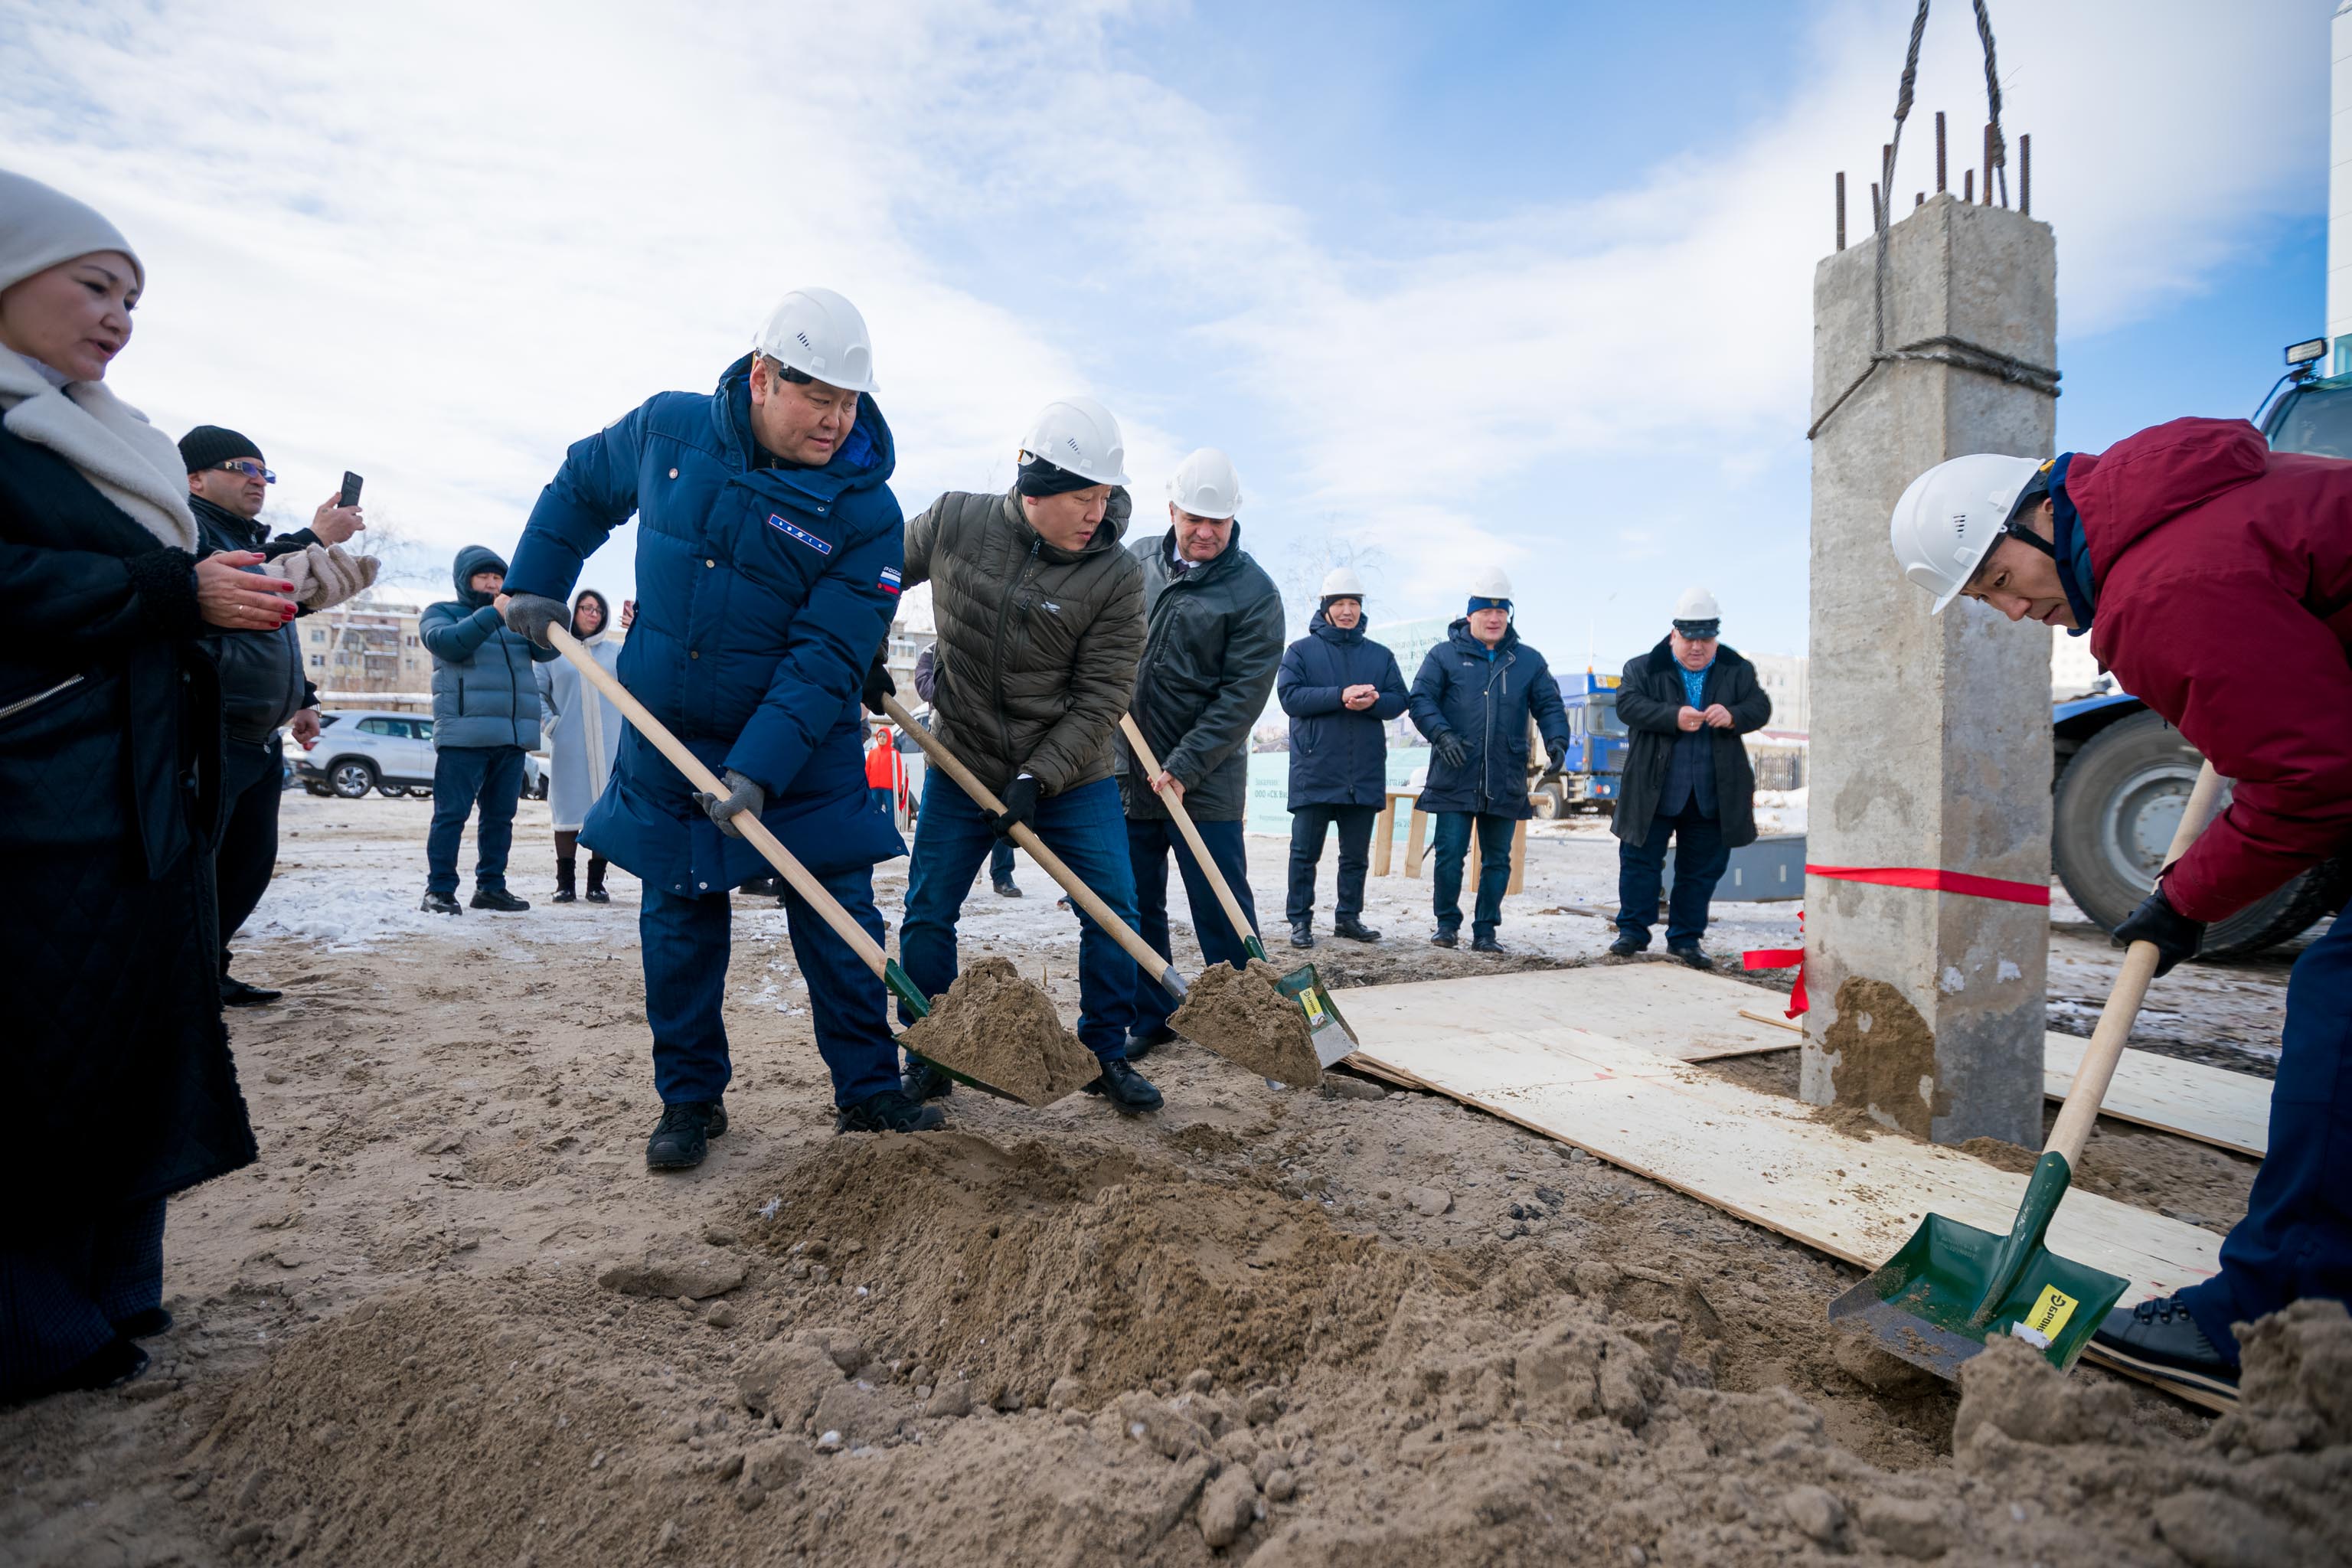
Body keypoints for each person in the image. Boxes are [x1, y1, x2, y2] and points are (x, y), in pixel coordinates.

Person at [1892, 421, 2352, 1406]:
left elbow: (2312, 784)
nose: (2015, 611)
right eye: (1987, 601)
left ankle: (2271, 1314)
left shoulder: (2160, 588)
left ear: (2037, 515)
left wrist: (2182, 900)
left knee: (2341, 1013)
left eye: (1998, 580)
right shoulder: (2190, 513)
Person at [501, 287, 940, 1164]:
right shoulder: (668, 430)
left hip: (800, 751)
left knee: (838, 914)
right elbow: (583, 485)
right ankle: (691, 1101)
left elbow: (827, 654)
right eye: (817, 397)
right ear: (763, 375)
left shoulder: (865, 512)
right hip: (666, 730)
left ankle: (869, 1093)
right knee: (678, 925)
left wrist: (762, 767)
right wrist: (538, 574)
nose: (836, 420)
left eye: (850, 400)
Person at [0, 169, 272, 1399]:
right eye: (94, 286)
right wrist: (175, 594)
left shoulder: (112, 435)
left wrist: (281, 588)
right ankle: (37, 1328)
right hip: (38, 791)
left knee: (128, 1042)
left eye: (133, 298)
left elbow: (182, 586)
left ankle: (122, 1282)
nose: (118, 316)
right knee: (39, 1059)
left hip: (148, 789)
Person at [893, 397, 1161, 1112]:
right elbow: (876, 571)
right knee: (927, 911)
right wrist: (860, 643)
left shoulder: (1116, 576)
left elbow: (1104, 695)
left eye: (1106, 497)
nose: (1096, 515)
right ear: (1035, 486)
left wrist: (1037, 776)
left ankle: (1104, 1052)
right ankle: (930, 1047)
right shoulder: (956, 520)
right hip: (962, 758)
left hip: (1071, 775)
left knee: (1114, 913)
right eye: (1082, 497)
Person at [180, 423, 371, 1004]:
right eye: (243, 468)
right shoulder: (184, 528)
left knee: (248, 863)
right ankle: (183, 980)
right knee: (199, 865)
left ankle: (210, 968)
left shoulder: (252, 537)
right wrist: (312, 536)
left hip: (260, 733)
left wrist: (303, 699)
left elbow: (273, 625)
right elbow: (233, 586)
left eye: (264, 471)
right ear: (196, 478)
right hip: (208, 728)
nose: (257, 480)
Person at [1119, 449, 1285, 1054]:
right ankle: (1154, 1015)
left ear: (1235, 519)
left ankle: (1249, 1020)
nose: (1206, 531)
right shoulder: (1135, 561)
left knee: (1219, 902)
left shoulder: (1254, 594)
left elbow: (1240, 700)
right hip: (1129, 767)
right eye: (1195, 518)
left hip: (1205, 780)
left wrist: (1185, 766)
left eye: (1218, 521)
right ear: (1172, 511)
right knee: (1137, 903)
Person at [1408, 567, 1570, 953]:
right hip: (1454, 771)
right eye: (1486, 611)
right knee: (1449, 855)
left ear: (1508, 615)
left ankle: (1486, 932)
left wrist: (1558, 741)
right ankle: (1446, 925)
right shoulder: (1443, 656)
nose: (1494, 618)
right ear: (1470, 615)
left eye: (1502, 612)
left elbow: (1549, 705)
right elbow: (1421, 700)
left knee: (1498, 859)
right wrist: (1441, 734)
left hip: (1505, 774)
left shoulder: (1527, 661)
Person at [1608, 586, 1771, 969]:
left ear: (1715, 637)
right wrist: (1672, 716)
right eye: (1690, 638)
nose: (1698, 647)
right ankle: (1632, 931)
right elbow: (1628, 704)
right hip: (1654, 788)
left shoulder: (1737, 668)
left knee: (1700, 870)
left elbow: (1759, 706)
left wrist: (1733, 716)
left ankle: (1685, 939)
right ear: (1674, 635)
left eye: (1706, 639)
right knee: (1639, 862)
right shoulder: (1643, 667)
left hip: (1713, 791)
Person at [417, 545, 554, 915]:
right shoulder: (441, 613)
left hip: (511, 737)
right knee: (451, 816)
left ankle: (491, 887)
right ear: (466, 580)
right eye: (485, 577)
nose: (493, 584)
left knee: (499, 818)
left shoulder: (514, 620)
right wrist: (494, 615)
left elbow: (548, 652)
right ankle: (439, 890)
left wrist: (548, 614)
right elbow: (448, 643)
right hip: (464, 735)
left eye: (498, 578)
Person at [1276, 566, 1408, 948]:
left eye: (1354, 603)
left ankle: (1349, 918)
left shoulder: (1379, 656)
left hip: (1362, 772)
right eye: (1340, 603)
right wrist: (1340, 695)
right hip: (1315, 771)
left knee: (1355, 857)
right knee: (1304, 854)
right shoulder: (1300, 651)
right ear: (1326, 607)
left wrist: (1376, 700)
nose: (1347, 610)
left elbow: (1401, 699)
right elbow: (1289, 698)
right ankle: (1300, 921)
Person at [534, 588, 623, 904]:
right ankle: (565, 883)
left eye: (598, 609)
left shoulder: (615, 654)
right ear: (574, 612)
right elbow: (537, 694)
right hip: (569, 745)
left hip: (610, 745)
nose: (593, 614)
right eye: (586, 608)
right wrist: (552, 725)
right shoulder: (554, 652)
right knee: (567, 813)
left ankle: (596, 883)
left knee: (604, 812)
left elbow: (635, 686)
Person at [914, 643, 1019, 896]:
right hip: (948, 750)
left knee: (1001, 815)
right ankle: (942, 881)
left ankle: (1003, 874)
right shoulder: (932, 651)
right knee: (939, 828)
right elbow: (923, 683)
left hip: (993, 747)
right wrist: (953, 694)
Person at [865, 720, 904, 819]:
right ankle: (875, 828)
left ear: (889, 738)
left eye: (884, 736)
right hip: (874, 787)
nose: (881, 738)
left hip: (889, 787)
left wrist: (898, 787)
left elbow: (898, 771)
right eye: (880, 736)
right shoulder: (872, 753)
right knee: (875, 809)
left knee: (890, 809)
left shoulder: (894, 753)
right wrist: (865, 785)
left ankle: (890, 828)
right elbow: (867, 770)